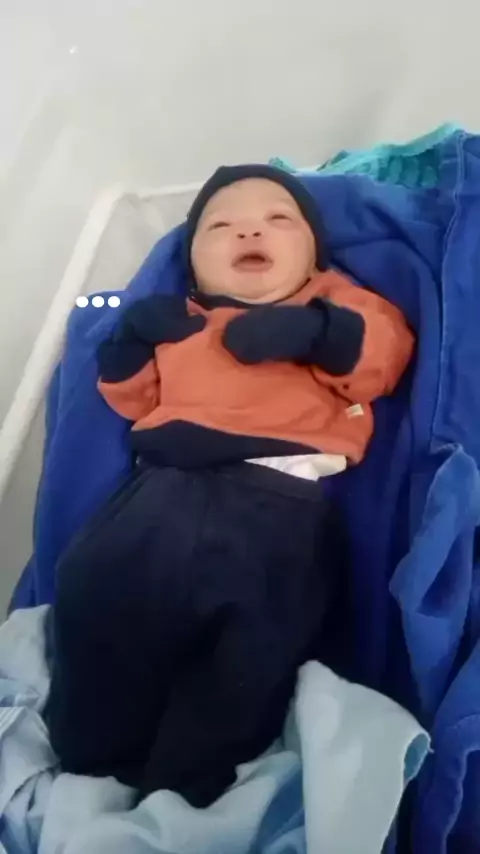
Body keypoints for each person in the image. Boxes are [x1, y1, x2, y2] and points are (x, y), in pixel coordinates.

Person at [47, 164, 414, 807]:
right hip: (158, 491)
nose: (248, 230)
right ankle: (90, 765)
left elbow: (382, 357)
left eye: (278, 219)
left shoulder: (336, 299)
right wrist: (130, 341)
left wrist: (315, 332)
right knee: (92, 596)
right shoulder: (185, 321)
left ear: (313, 254)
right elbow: (132, 399)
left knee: (253, 649)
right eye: (219, 226)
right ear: (192, 265)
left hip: (277, 501)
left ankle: (189, 791)